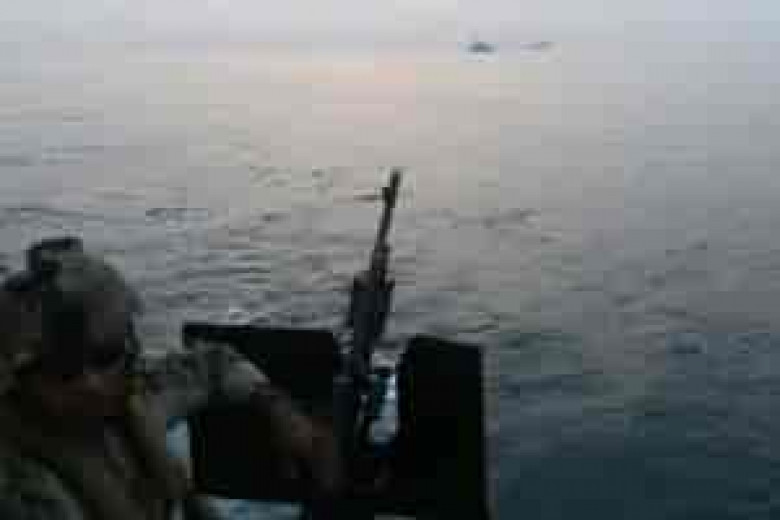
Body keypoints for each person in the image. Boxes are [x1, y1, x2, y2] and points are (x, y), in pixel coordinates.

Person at [0, 236, 341, 520]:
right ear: (17, 379)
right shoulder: (22, 487)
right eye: (62, 369)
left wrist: (281, 410)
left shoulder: (132, 402)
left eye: (105, 356)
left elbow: (212, 363)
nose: (89, 383)